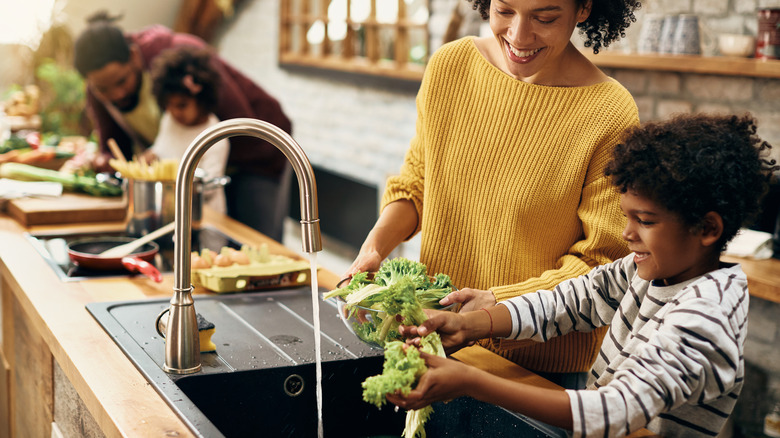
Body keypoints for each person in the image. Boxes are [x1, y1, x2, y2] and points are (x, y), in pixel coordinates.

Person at [388, 113, 778, 437]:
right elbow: (572, 301)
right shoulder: (651, 271)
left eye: (644, 221)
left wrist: (471, 381)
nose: (627, 233)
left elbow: (615, 409)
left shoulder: (705, 318)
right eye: (627, 216)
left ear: (707, 229)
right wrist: (472, 324)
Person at [346, 0, 641, 384]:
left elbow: (601, 262)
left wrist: (495, 306)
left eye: (545, 18)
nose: (519, 35)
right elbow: (419, 183)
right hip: (435, 341)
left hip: (536, 368)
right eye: (504, 11)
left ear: (584, 8)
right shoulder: (451, 66)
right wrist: (374, 247)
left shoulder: (609, 112)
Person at [73, 11, 292, 241]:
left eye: (121, 81)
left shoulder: (179, 58)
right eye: (103, 89)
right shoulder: (97, 92)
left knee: (254, 241)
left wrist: (205, 178)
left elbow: (240, 124)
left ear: (134, 57)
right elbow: (117, 149)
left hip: (258, 152)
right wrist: (106, 161)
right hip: (201, 172)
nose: (116, 94)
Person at [144, 46, 229, 214]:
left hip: (205, 216)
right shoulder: (169, 119)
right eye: (169, 105)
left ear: (202, 99)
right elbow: (160, 149)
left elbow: (209, 187)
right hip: (171, 210)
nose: (175, 112)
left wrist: (174, 184)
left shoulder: (215, 136)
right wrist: (150, 156)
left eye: (182, 105)